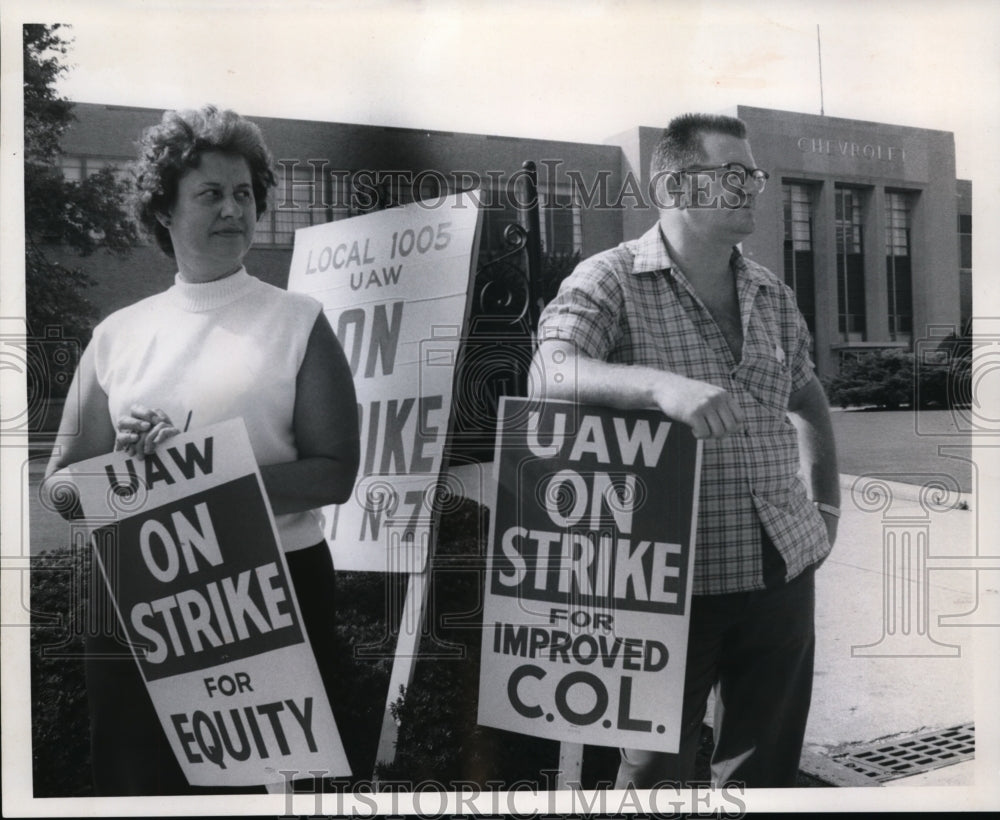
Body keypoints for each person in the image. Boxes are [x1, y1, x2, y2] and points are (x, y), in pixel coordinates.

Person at [44, 104, 360, 795]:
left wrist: (205, 482)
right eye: (210, 194)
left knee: (265, 791)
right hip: (141, 600)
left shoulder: (297, 321)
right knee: (140, 790)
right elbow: (62, 486)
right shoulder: (117, 334)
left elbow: (336, 472)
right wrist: (122, 475)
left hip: (268, 593)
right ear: (163, 211)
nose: (232, 211)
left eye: (244, 194)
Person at [532, 113, 840, 788]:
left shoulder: (771, 292)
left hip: (782, 570)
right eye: (731, 175)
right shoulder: (608, 280)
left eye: (752, 175)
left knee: (764, 769)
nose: (750, 189)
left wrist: (826, 506)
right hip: (667, 585)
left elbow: (807, 395)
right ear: (672, 185)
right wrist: (656, 386)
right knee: (652, 773)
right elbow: (549, 373)